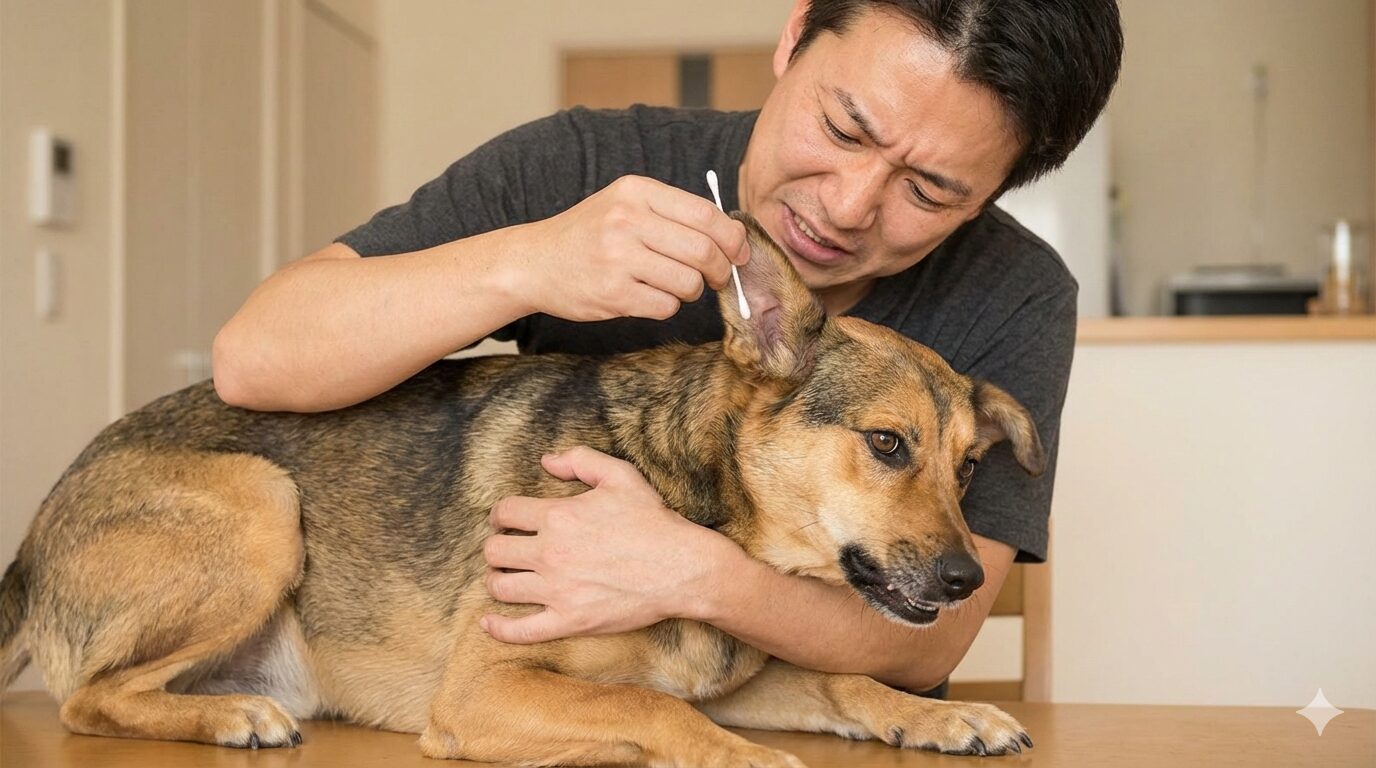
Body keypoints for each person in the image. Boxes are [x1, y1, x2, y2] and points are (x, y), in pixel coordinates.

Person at [212, 0, 1123, 696]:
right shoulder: (580, 164)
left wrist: (693, 576)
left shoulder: (1018, 291)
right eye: (843, 128)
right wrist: (525, 263)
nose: (848, 207)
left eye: (928, 191)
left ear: (993, 193)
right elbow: (254, 358)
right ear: (795, 36)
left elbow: (927, 647)